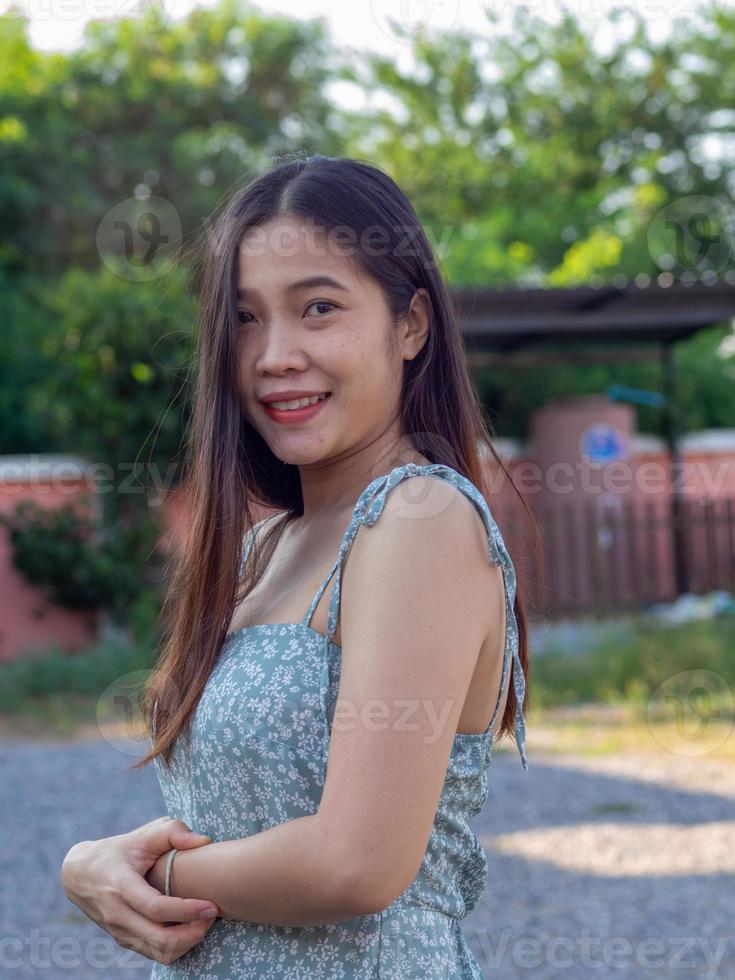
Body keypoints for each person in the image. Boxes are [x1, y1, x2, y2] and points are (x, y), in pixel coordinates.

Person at [61, 154, 534, 978]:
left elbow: (355, 862)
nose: (274, 354)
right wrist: (89, 863)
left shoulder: (418, 520)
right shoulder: (261, 549)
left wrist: (133, 875)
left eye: (318, 307)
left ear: (410, 325)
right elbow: (240, 822)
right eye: (245, 318)